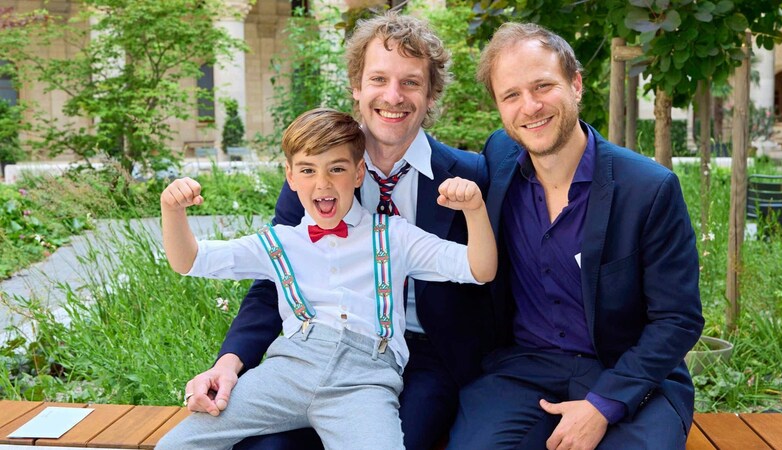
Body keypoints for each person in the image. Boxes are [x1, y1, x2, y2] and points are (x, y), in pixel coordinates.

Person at [184, 14, 493, 449]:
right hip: (315, 352)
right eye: (378, 79)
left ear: (430, 94)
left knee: (410, 436)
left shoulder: (469, 175)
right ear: (356, 88)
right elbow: (275, 274)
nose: (392, 96)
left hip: (425, 354)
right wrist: (230, 362)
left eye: (410, 82)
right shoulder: (317, 172)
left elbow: (485, 276)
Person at [447, 23, 705, 450]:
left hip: (625, 370)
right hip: (523, 369)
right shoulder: (500, 157)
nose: (529, 107)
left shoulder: (648, 189)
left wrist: (603, 404)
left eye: (543, 86)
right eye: (511, 95)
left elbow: (678, 319)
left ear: (576, 84)